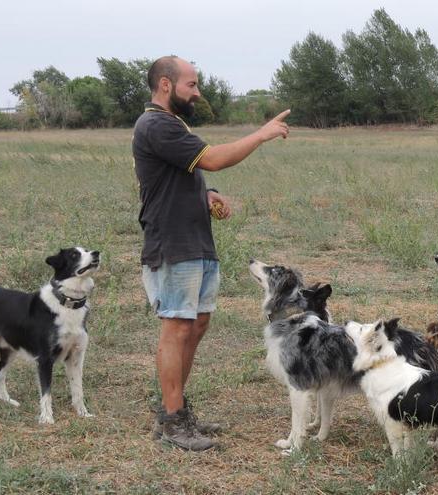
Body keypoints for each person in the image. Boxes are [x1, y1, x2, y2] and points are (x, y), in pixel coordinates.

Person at [133, 55, 290, 451]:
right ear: (166, 85)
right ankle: (172, 421)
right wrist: (262, 134)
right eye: (191, 84)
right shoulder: (156, 123)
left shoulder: (173, 124)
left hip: (196, 240)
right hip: (173, 242)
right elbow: (215, 159)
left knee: (197, 323)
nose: (197, 92)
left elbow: (177, 176)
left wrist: (205, 195)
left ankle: (176, 408)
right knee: (177, 327)